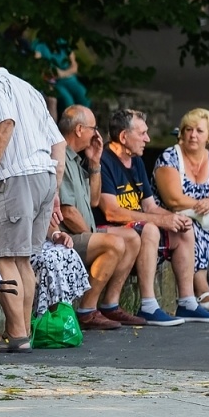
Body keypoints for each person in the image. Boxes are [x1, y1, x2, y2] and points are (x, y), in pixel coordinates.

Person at [0, 50, 65, 348]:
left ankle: (18, 335)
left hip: (13, 178)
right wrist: (54, 190)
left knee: (3, 256)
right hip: (43, 177)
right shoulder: (27, 87)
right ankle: (18, 331)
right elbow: (59, 144)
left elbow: (4, 123)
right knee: (21, 259)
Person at [97, 108, 209, 325]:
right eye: (142, 133)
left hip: (135, 224)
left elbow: (149, 205)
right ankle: (148, 306)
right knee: (150, 228)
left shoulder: (135, 160)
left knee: (185, 228)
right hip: (108, 228)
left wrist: (174, 218)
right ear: (124, 137)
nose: (148, 139)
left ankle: (187, 303)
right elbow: (111, 212)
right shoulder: (104, 161)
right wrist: (160, 220)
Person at [56, 106, 143, 330]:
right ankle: (86, 310)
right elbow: (68, 212)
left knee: (132, 238)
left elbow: (93, 201)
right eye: (93, 129)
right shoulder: (60, 158)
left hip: (83, 232)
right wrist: (95, 237)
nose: (96, 134)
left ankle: (110, 304)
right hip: (65, 236)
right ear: (79, 129)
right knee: (113, 243)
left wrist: (94, 163)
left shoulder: (77, 159)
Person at [153, 108, 209, 310]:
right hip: (173, 216)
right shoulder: (170, 157)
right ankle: (203, 292)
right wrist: (201, 204)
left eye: (199, 131)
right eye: (188, 129)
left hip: (205, 215)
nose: (193, 135)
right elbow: (173, 199)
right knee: (192, 230)